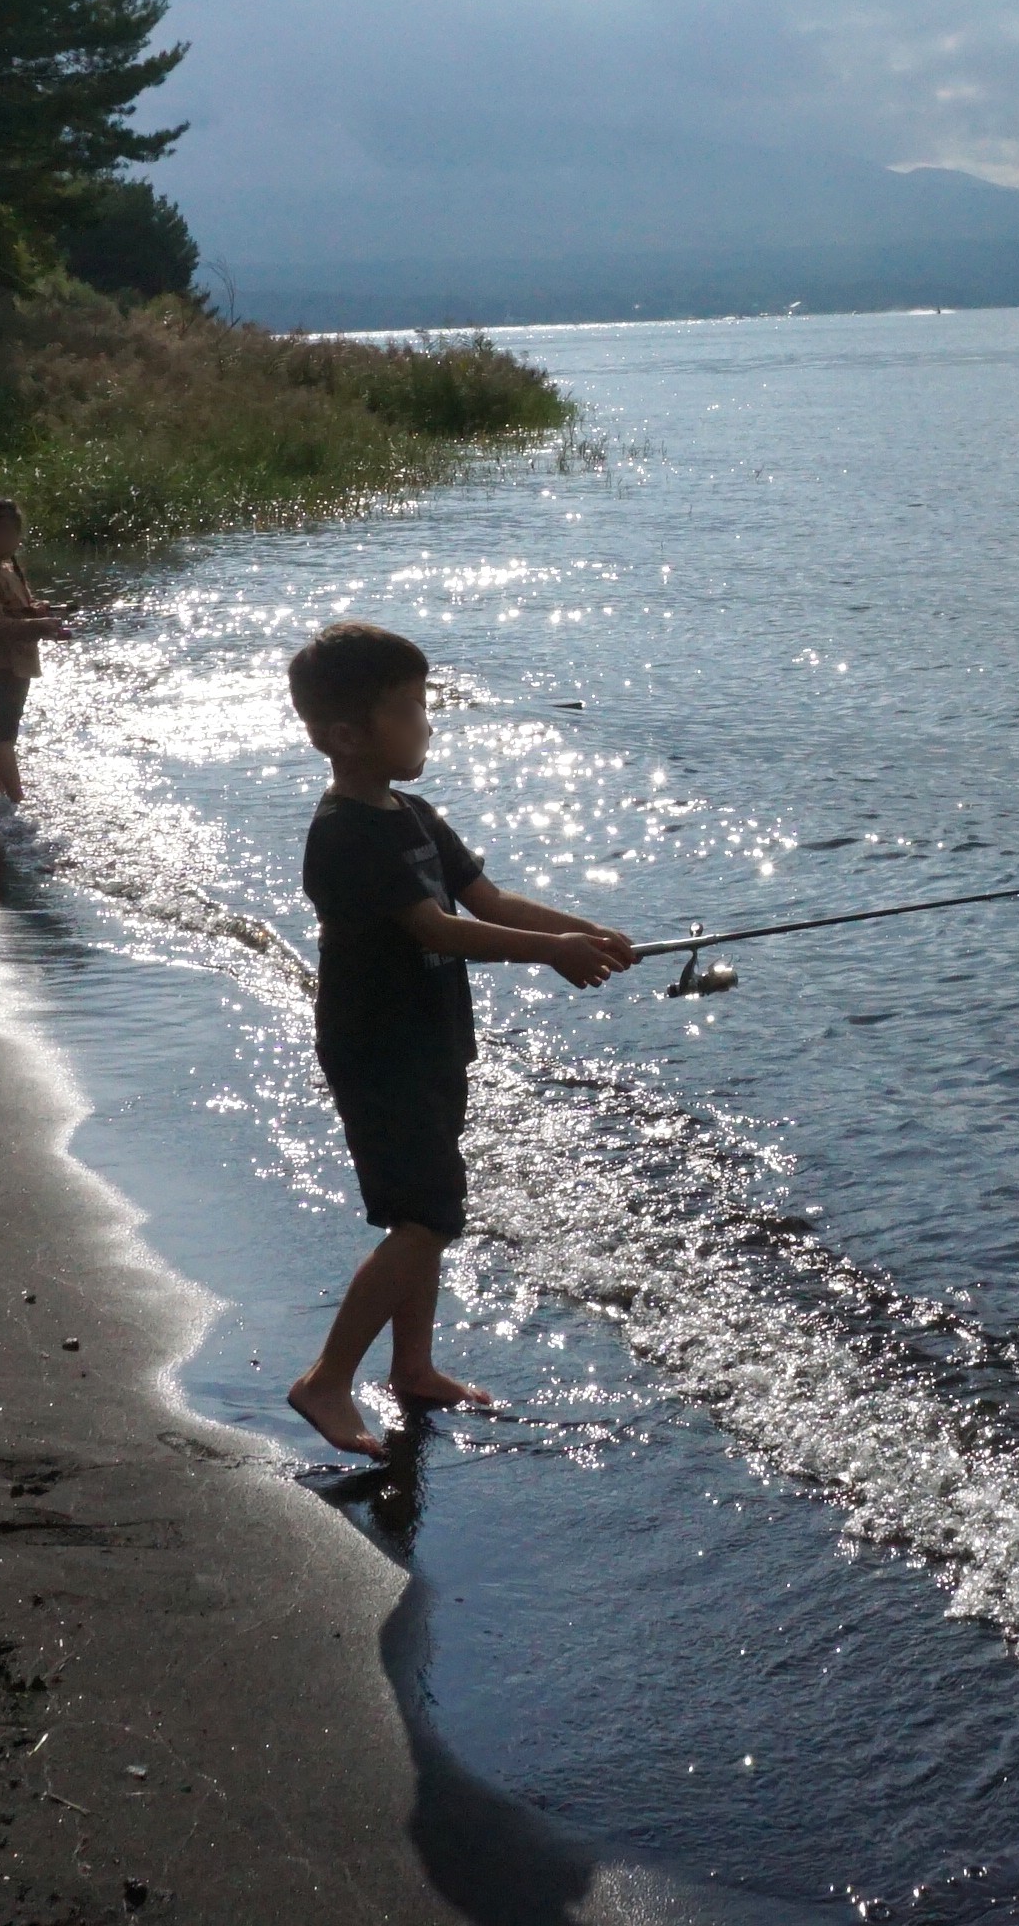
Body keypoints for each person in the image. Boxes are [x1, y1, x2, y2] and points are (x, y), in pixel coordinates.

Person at [283, 621, 635, 1455]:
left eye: (422, 706)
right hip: (377, 1047)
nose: (426, 724)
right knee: (428, 1218)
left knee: (423, 1210)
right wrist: (554, 954)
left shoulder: (411, 813)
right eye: (406, 710)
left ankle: (414, 1366)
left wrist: (586, 930)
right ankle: (326, 1379)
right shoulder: (344, 832)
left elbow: (492, 903)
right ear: (343, 735)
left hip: (431, 1036)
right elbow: (435, 931)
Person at [0, 496, 71, 808]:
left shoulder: (7, 571)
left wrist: (40, 614)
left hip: (20, 663)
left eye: (13, 533)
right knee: (5, 733)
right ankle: (16, 799)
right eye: (1, 533)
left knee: (5, 729)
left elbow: (16, 612)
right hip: (4, 664)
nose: (10, 540)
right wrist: (40, 626)